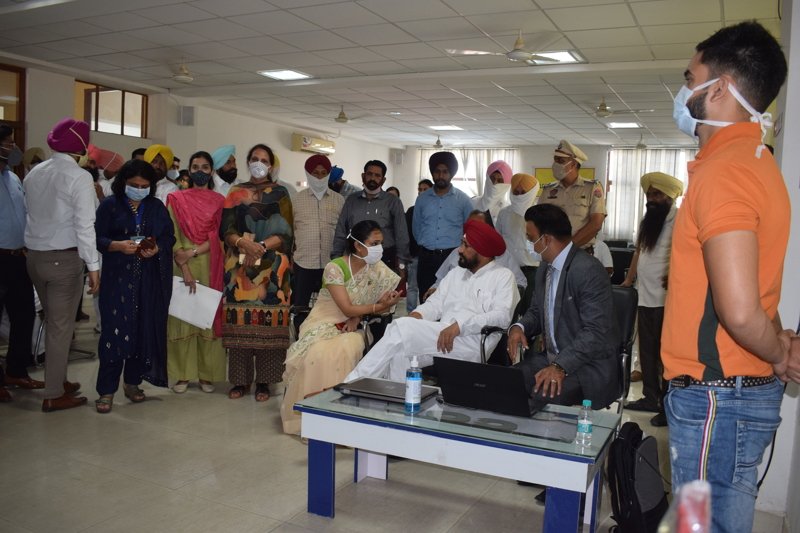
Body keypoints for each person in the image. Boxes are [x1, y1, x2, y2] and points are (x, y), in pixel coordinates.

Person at [661, 22, 794, 533]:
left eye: (689, 78)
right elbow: (757, 289)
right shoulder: (755, 161)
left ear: (719, 89)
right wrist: (777, 345)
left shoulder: (726, 173)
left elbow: (738, 311)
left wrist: (778, 353)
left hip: (715, 396)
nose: (683, 91)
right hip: (729, 393)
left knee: (699, 525)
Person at [346, 219, 518, 382]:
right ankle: (399, 400)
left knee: (400, 328)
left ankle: (353, 382)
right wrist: (416, 315)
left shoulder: (502, 276)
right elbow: (435, 304)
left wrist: (459, 326)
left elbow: (501, 316)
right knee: (400, 350)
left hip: (471, 343)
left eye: (465, 245)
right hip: (441, 339)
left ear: (482, 251)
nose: (459, 250)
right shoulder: (456, 273)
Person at [281, 220, 401, 434]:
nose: (379, 249)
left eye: (381, 243)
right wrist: (374, 307)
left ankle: (344, 421)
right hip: (323, 322)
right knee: (318, 352)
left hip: (354, 327)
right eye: (374, 244)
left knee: (348, 346)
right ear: (358, 246)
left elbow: (378, 308)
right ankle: (315, 419)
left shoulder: (378, 270)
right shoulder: (335, 268)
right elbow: (346, 308)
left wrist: (373, 308)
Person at [507, 204, 619, 409]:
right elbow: (536, 311)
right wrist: (519, 327)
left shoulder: (588, 270)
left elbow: (595, 332)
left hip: (587, 365)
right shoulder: (545, 266)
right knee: (507, 383)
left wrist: (560, 366)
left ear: (546, 239)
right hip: (552, 358)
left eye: (531, 238)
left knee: (539, 396)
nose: (530, 244)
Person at [24, 118, 99, 412]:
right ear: (80, 148)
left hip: (35, 258)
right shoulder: (78, 177)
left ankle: (59, 379)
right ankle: (54, 393)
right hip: (63, 260)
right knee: (60, 328)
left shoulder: (35, 172)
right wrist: (94, 266)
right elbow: (85, 224)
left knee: (54, 322)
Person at [93, 159, 175, 413]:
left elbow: (168, 236)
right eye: (133, 185)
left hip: (148, 279)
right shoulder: (110, 205)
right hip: (117, 280)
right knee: (114, 333)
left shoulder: (156, 207)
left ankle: (132, 383)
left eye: (143, 186)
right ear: (123, 183)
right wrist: (117, 245)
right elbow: (97, 237)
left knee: (142, 330)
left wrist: (157, 248)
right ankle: (106, 391)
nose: (138, 189)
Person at [220, 143, 293, 402]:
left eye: (264, 160)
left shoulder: (281, 193)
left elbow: (287, 233)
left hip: (272, 267)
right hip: (238, 266)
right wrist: (243, 243)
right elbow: (226, 229)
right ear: (248, 161)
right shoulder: (235, 191)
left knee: (269, 324)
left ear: (271, 165)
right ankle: (240, 381)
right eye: (254, 158)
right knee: (239, 323)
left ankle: (264, 382)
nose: (258, 163)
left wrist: (260, 246)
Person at [621, 172, 683, 427]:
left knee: (665, 354)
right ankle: (650, 397)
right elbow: (639, 251)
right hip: (645, 296)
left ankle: (667, 405)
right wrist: (628, 280)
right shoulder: (648, 220)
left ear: (670, 196)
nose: (651, 199)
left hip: (668, 299)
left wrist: (675, 274)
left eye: (656, 194)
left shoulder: (680, 218)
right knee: (646, 351)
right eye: (649, 194)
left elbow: (685, 253)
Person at [166, 151, 226, 394]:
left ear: (211, 171)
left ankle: (206, 375)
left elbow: (220, 236)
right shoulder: (176, 199)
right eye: (195, 167)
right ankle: (182, 375)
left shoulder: (220, 201)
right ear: (189, 170)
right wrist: (184, 264)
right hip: (180, 263)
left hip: (210, 262)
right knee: (182, 317)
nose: (200, 171)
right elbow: (171, 233)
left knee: (206, 316)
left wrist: (192, 252)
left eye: (205, 167)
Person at [0, 125, 40, 402]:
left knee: (24, 315)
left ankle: (16, 370)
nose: (13, 148)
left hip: (17, 257)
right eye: (7, 143)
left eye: (12, 142)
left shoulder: (13, 178)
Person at [291, 154, 344, 331]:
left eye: (323, 173)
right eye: (315, 173)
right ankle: (300, 339)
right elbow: (290, 232)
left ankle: (327, 340)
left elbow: (343, 231)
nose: (319, 177)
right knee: (301, 307)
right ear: (308, 174)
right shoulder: (296, 200)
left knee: (331, 308)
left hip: (332, 264)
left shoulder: (339, 200)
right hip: (304, 263)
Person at [331, 160, 409, 276]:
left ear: (383, 180)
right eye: (369, 174)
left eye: (377, 175)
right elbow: (341, 230)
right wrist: (336, 258)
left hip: (384, 259)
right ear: (363, 176)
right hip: (356, 258)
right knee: (355, 288)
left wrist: (402, 263)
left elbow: (401, 234)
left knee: (383, 288)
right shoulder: (351, 200)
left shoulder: (393, 202)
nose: (372, 178)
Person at [412, 151, 474, 298]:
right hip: (426, 258)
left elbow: (470, 230)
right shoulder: (422, 199)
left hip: (452, 258)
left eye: (445, 172)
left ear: (451, 174)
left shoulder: (463, 200)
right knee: (426, 297)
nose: (440, 176)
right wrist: (426, 245)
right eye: (437, 172)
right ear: (432, 173)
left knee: (451, 299)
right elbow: (416, 227)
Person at [427, 210, 525, 297]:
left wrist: (502, 295)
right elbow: (441, 279)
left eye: (478, 227)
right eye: (470, 226)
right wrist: (435, 289)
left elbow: (520, 283)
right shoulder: (457, 253)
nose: (473, 230)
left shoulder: (503, 257)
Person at [537, 140, 606, 250]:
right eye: (555, 159)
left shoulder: (592, 188)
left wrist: (568, 248)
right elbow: (538, 220)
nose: (556, 164)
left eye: (561, 160)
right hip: (551, 252)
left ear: (573, 164)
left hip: (580, 252)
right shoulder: (548, 190)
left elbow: (596, 223)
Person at [495, 172, 541, 314]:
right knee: (509, 309)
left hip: (532, 270)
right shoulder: (504, 213)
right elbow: (498, 240)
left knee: (530, 309)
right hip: (508, 269)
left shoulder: (539, 214)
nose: (519, 195)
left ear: (531, 193)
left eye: (523, 192)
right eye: (516, 192)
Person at [405, 179, 433, 313]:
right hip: (414, 254)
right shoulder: (411, 210)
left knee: (429, 286)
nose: (421, 192)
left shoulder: (435, 211)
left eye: (425, 189)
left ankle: (426, 313)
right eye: (419, 189)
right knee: (412, 287)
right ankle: (411, 314)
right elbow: (406, 232)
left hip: (430, 255)